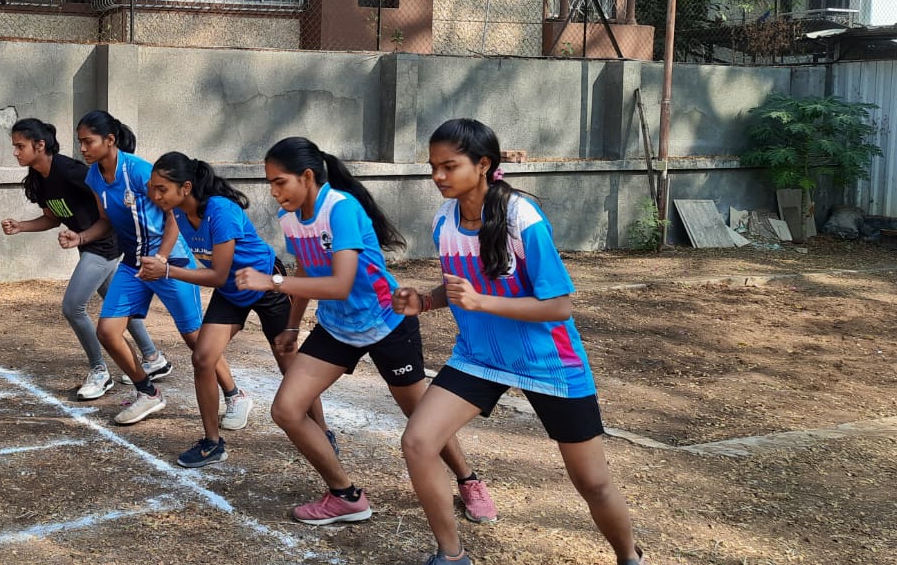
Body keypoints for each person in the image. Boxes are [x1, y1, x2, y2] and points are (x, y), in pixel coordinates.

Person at [395, 119, 643, 565]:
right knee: (418, 442)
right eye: (433, 166)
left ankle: (629, 557)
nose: (438, 176)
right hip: (480, 358)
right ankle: (451, 556)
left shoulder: (521, 218)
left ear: (483, 164)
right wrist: (426, 301)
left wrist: (481, 302)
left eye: (449, 166)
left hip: (551, 364)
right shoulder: (444, 220)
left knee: (592, 482)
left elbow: (559, 306)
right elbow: (460, 286)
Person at [234, 136, 496, 526]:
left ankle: (468, 479)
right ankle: (346, 496)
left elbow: (340, 284)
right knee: (286, 410)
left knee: (420, 416)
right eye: (270, 183)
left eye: (279, 182)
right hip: (337, 327)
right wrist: (292, 324)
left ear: (307, 177)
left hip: (387, 321)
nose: (273, 192)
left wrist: (271, 282)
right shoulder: (290, 219)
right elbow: (306, 267)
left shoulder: (341, 209)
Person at [142, 151, 322, 468]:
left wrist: (166, 270)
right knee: (203, 358)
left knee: (290, 364)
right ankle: (212, 444)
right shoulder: (179, 211)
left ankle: (323, 432)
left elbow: (217, 275)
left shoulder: (220, 211)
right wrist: (161, 258)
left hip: (265, 284)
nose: (155, 195)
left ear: (185, 187)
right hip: (231, 290)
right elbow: (220, 276)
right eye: (152, 188)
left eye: (161, 189)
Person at [0, 118, 171, 400]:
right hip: (88, 243)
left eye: (20, 146)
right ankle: (154, 358)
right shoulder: (38, 178)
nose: (15, 152)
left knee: (72, 307)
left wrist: (88, 236)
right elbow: (52, 218)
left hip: (105, 243)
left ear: (39, 145)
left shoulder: (72, 172)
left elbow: (108, 205)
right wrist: (21, 226)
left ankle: (99, 371)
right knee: (117, 303)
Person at [59, 110, 201, 426]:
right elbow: (106, 220)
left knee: (196, 341)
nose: (82, 148)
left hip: (170, 261)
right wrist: (80, 237)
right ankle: (148, 392)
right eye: (80, 142)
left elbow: (174, 216)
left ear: (110, 140)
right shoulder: (94, 177)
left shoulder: (139, 171)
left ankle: (234, 395)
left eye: (88, 141)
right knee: (108, 332)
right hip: (134, 264)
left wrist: (161, 258)